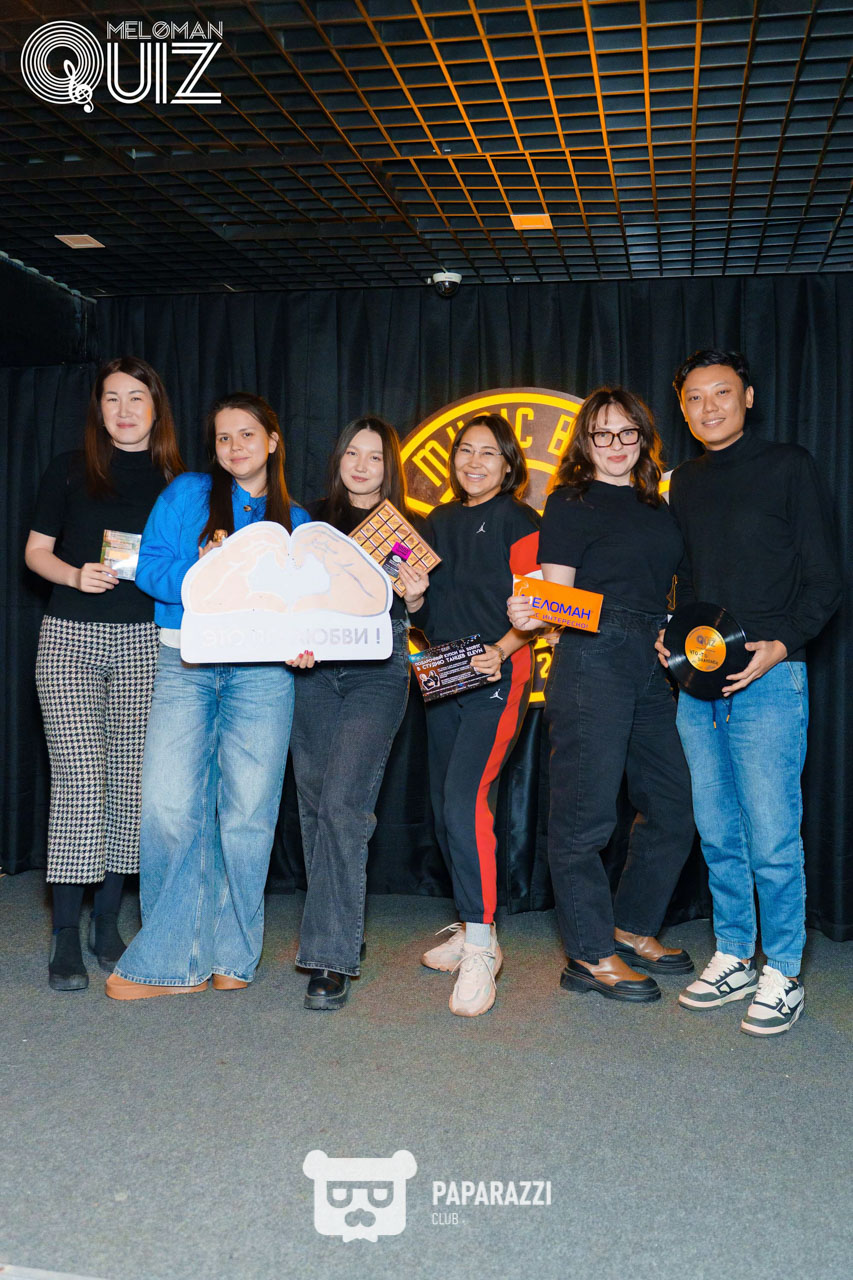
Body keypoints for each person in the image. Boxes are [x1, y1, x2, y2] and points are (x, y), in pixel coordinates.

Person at [658, 349, 841, 1035]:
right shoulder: (684, 484)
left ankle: (784, 969)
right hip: (697, 685)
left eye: (722, 393)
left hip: (770, 681)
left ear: (748, 397)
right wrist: (670, 638)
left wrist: (779, 646)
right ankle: (734, 952)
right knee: (717, 832)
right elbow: (684, 582)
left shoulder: (790, 466)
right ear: (683, 409)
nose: (709, 407)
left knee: (771, 836)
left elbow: (825, 580)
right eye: (695, 397)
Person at [105, 392, 312, 1000]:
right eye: (224, 437)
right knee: (168, 807)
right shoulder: (187, 494)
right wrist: (202, 571)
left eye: (246, 434)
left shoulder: (297, 522)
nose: (235, 447)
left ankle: (232, 954)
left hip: (263, 675)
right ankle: (170, 960)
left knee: (248, 817)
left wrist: (305, 643)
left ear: (272, 440)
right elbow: (148, 568)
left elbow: (305, 607)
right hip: (186, 663)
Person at [508, 387, 695, 1003]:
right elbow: (559, 597)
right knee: (584, 816)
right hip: (592, 656)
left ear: (643, 437)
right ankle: (589, 953)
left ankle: (631, 925)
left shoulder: (658, 504)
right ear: (585, 442)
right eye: (602, 434)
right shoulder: (570, 501)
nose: (616, 445)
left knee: (673, 803)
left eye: (627, 433)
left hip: (652, 658)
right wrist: (532, 611)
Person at [25, 357, 184, 991]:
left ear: (155, 406)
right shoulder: (69, 468)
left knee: (128, 785)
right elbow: (35, 552)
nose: (124, 409)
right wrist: (73, 574)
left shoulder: (179, 481)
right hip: (69, 636)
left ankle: (107, 925)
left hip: (145, 641)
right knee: (79, 781)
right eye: (112, 398)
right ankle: (66, 933)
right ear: (99, 408)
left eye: (136, 397)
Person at [289, 417, 429, 1010]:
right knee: (315, 805)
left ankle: (329, 957)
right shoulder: (307, 521)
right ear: (339, 459)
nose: (363, 465)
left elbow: (423, 612)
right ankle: (340, 929)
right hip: (314, 668)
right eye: (353, 452)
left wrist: (416, 596)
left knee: (344, 805)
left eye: (374, 456)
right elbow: (286, 596)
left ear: (388, 465)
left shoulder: (407, 527)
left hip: (377, 668)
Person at [407, 414, 540, 1017]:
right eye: (466, 450)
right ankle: (470, 921)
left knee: (465, 800)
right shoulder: (437, 521)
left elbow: (541, 606)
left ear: (508, 464)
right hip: (444, 672)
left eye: (489, 453)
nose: (474, 462)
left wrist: (504, 650)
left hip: (496, 674)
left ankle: (483, 946)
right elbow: (427, 612)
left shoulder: (521, 521)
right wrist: (413, 598)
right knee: (444, 806)